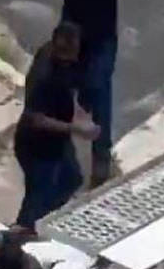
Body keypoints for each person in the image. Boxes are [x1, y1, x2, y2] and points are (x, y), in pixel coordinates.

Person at [33, 0, 150, 187]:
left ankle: (101, 158)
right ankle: (55, 152)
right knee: (63, 88)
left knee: (99, 87)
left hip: (103, 34)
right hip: (72, 33)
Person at [14, 22, 100, 229]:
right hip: (36, 149)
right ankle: (24, 233)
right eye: (70, 54)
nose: (74, 58)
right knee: (37, 198)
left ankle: (48, 219)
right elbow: (35, 118)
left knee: (71, 180)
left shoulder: (63, 59)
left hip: (58, 143)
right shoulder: (44, 75)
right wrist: (77, 129)